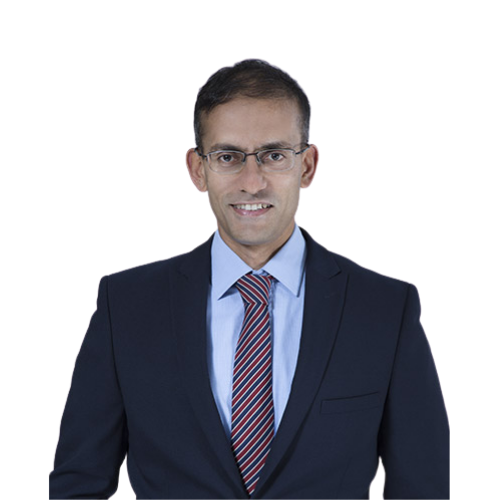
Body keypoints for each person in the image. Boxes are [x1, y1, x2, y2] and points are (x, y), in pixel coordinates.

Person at [50, 58, 450, 499]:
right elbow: (78, 483)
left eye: (274, 156)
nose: (252, 182)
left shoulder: (385, 310)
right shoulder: (126, 306)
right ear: (198, 170)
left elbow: (423, 487)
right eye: (228, 157)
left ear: (307, 166)